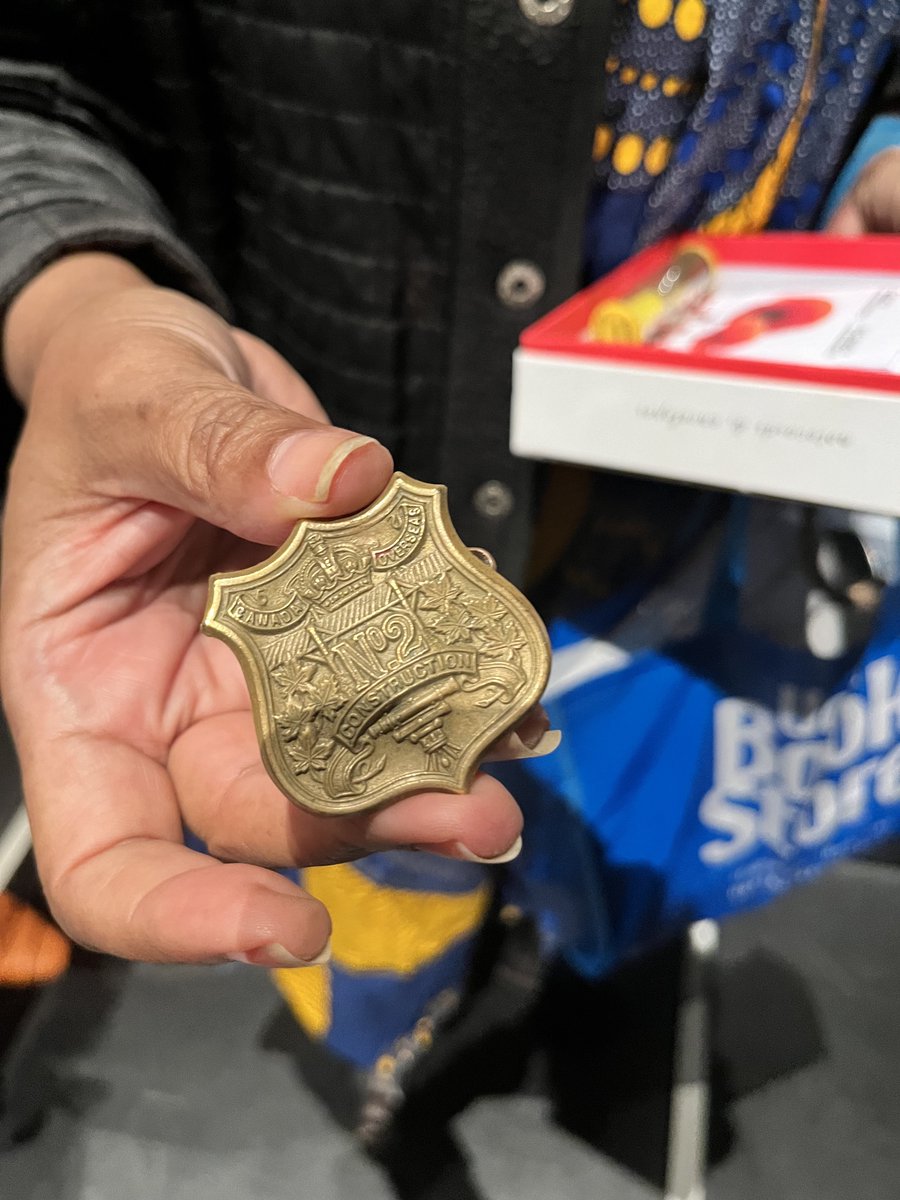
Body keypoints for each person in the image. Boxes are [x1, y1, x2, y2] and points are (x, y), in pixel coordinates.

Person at [0, 0, 899, 1098]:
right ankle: (393, 1039)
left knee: (582, 801)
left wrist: (884, 146)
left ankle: (528, 956)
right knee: (389, 872)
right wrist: (77, 305)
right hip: (287, 510)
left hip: (678, 489)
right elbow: (29, 85)